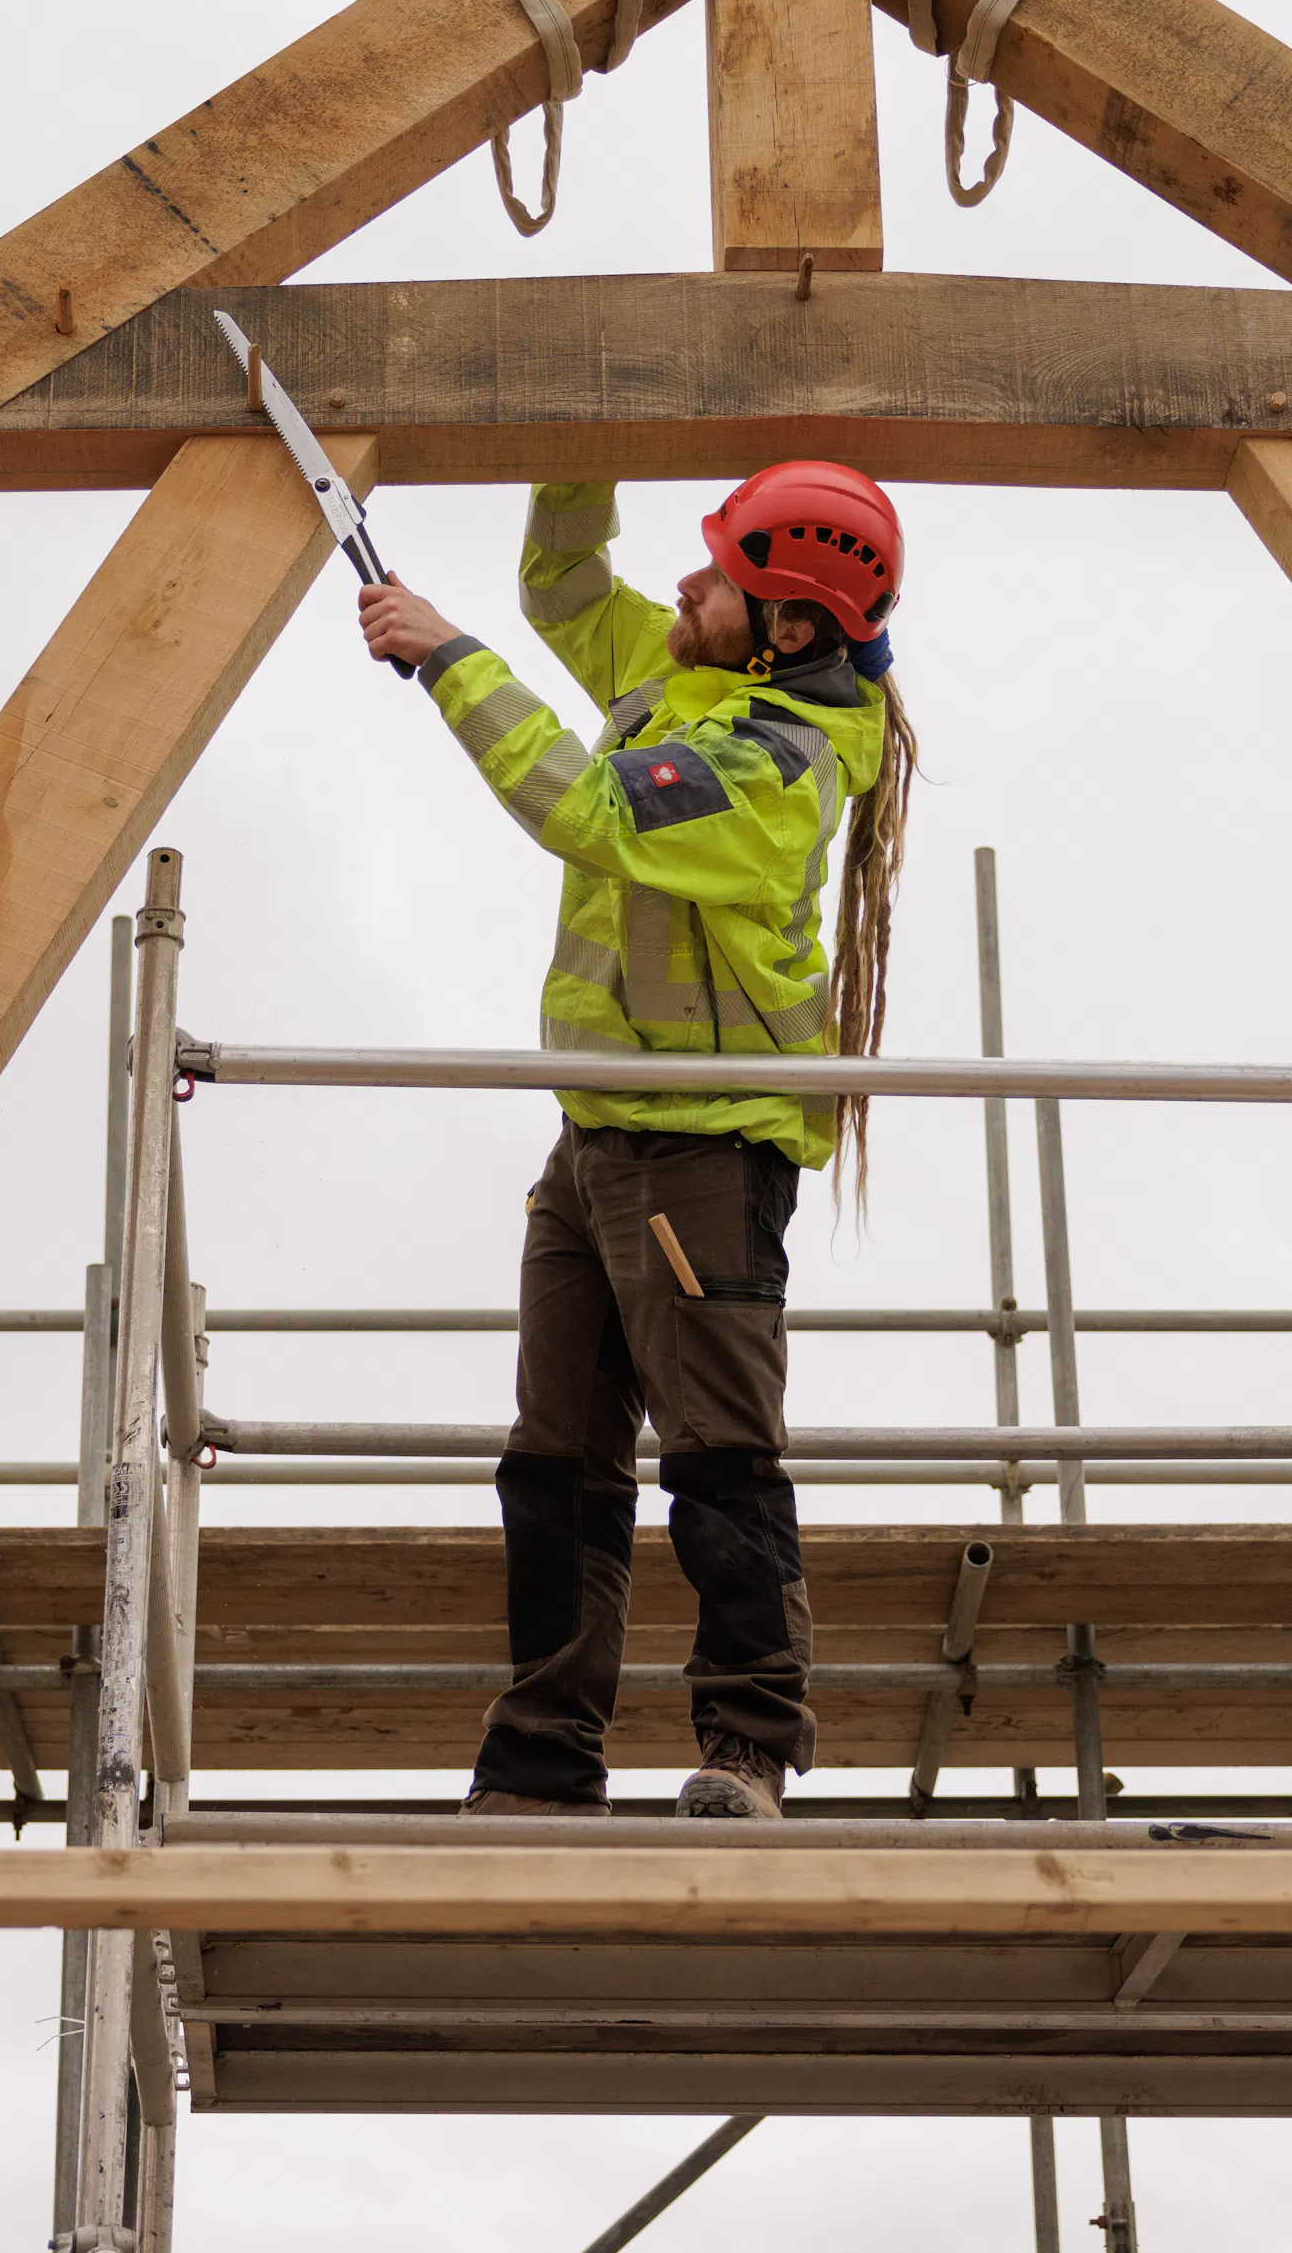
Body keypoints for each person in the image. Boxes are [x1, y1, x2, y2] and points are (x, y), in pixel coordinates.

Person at [355, 464, 915, 1821]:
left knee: (717, 1458)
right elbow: (561, 584)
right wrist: (576, 445)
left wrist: (446, 659)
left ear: (785, 629)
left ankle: (749, 1751)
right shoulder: (678, 680)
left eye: (716, 576)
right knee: (554, 1465)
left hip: (701, 1158)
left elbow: (587, 811)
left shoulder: (775, 762)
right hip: (598, 1141)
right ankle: (543, 1759)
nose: (683, 584)